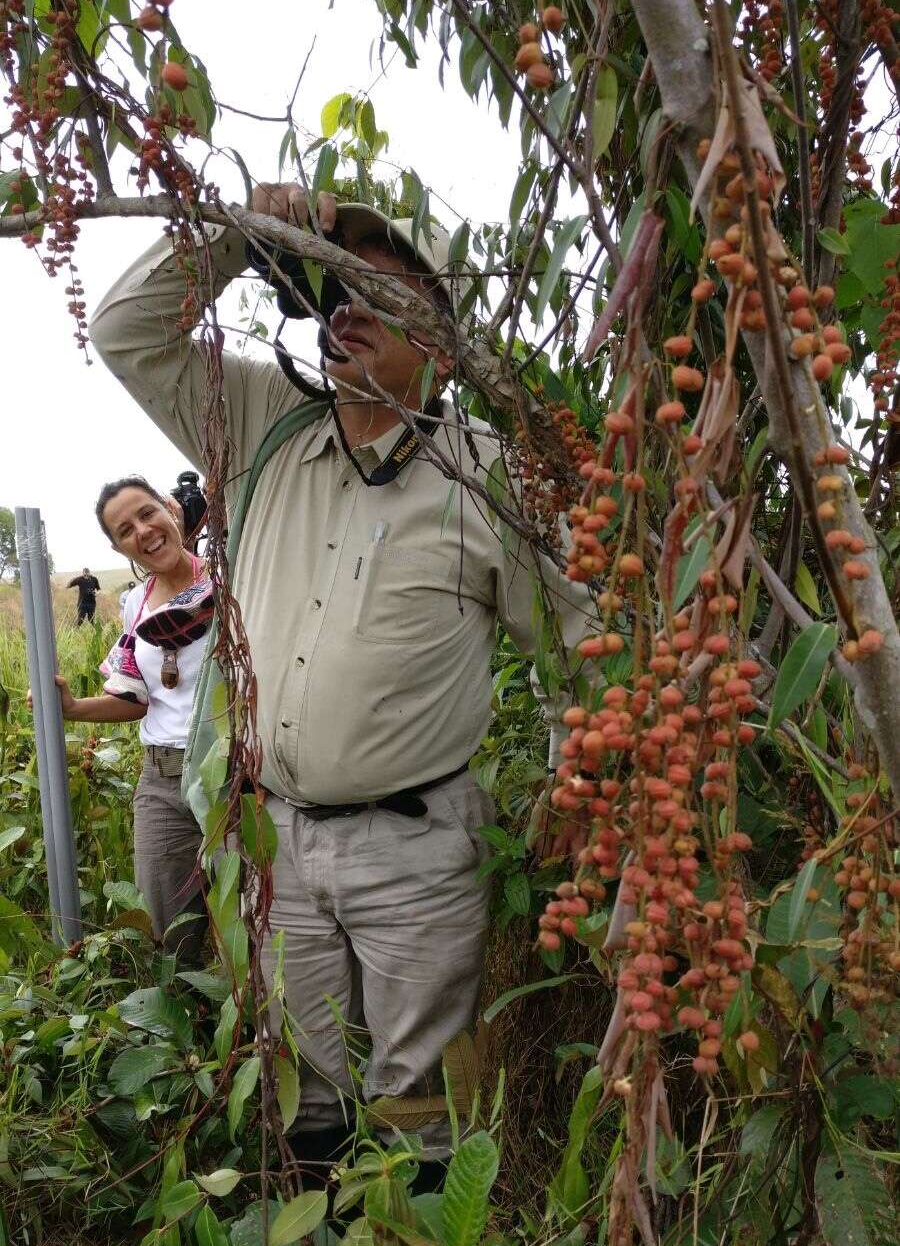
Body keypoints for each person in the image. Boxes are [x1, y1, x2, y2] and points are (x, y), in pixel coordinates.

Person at [87, 187, 596, 1186]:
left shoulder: (490, 479)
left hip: (418, 842)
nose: (346, 306)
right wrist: (242, 231)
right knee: (303, 1088)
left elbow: (592, 647)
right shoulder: (265, 423)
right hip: (277, 836)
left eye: (383, 284)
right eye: (338, 285)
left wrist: (573, 788)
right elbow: (125, 331)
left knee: (417, 1097)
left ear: (443, 341)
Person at [40, 480, 213, 963]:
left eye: (147, 513)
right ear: (117, 546)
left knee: (252, 917)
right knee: (168, 929)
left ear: (170, 509)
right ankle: (185, 1025)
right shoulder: (135, 604)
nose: (144, 531)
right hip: (161, 780)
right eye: (125, 529)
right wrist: (72, 708)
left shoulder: (231, 580)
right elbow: (135, 698)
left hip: (232, 772)